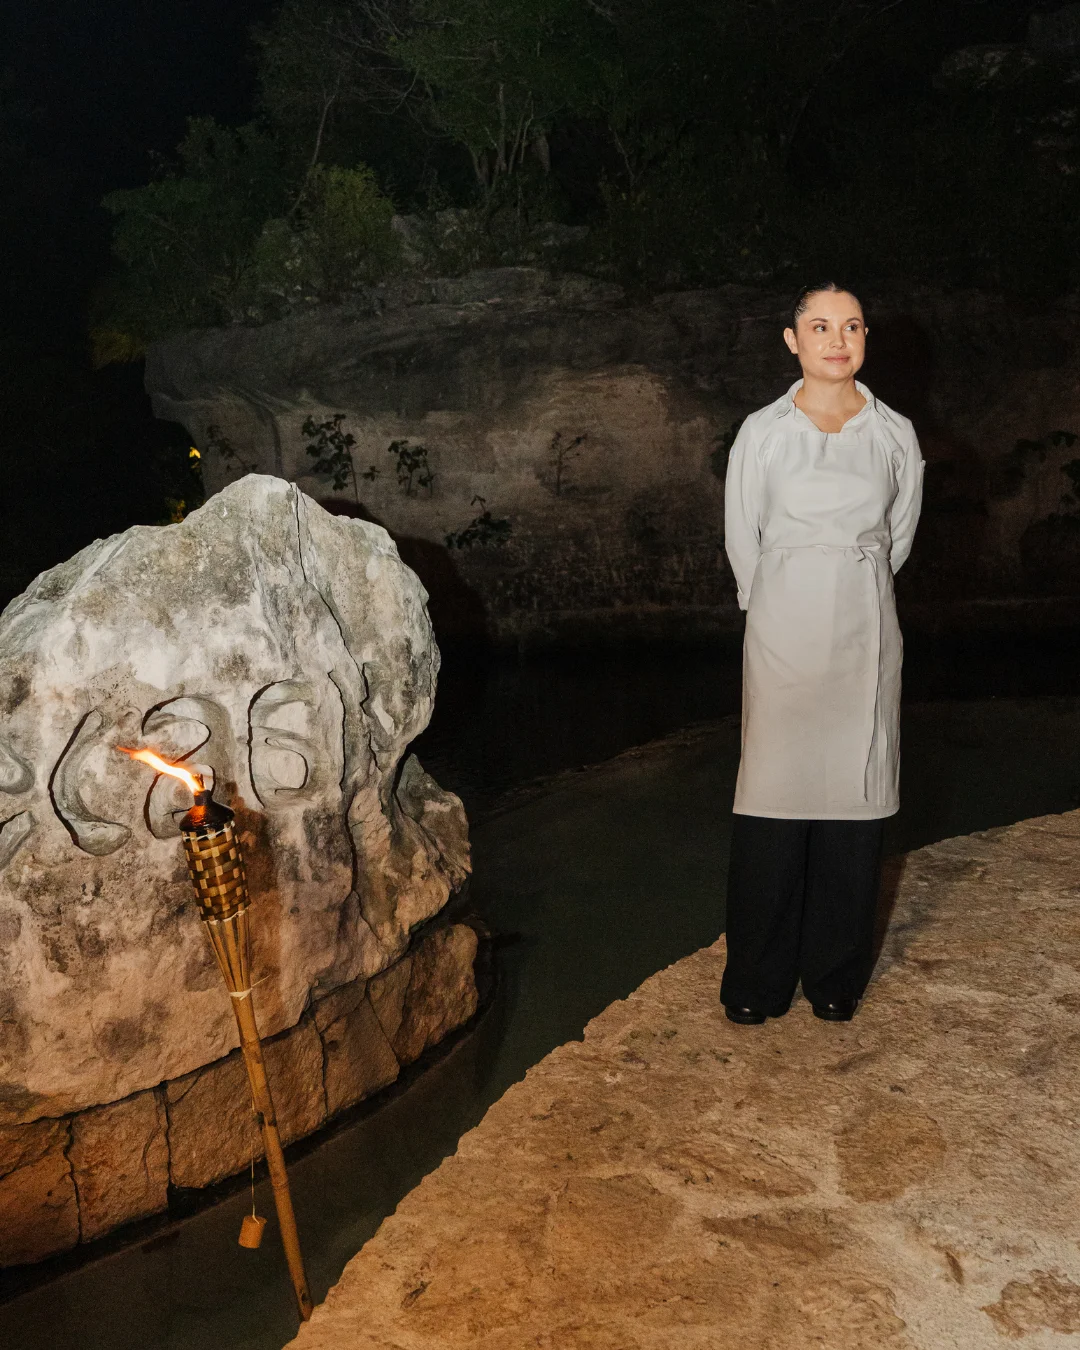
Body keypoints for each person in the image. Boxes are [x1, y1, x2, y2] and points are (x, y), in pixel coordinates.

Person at [721, 283, 924, 1025]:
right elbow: (742, 537)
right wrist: (780, 601)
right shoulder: (762, 431)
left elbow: (898, 537)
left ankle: (835, 975)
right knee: (772, 801)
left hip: (864, 630)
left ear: (865, 337)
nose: (837, 340)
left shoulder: (894, 433)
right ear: (792, 339)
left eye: (852, 326)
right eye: (820, 326)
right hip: (782, 630)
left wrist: (853, 583)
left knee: (855, 798)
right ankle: (757, 980)